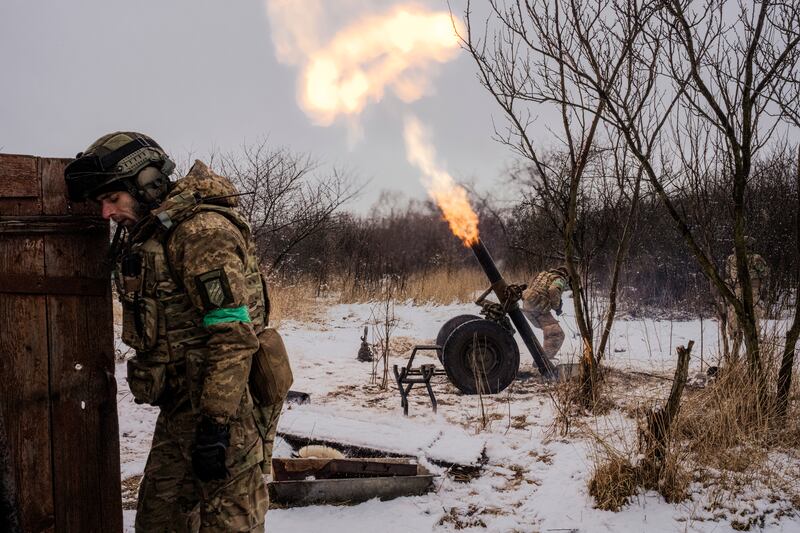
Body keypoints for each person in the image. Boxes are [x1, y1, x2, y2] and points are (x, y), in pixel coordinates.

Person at [64, 132, 291, 532]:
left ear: (148, 182)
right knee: (159, 521)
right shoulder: (159, 232)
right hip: (182, 409)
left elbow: (232, 335)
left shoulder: (201, 233)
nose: (106, 213)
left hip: (226, 411)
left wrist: (216, 427)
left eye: (112, 198)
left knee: (229, 524)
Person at [724, 236, 769, 359]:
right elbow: (765, 272)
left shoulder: (731, 258)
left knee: (735, 314)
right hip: (752, 291)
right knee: (753, 316)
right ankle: (754, 343)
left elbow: (727, 272)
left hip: (735, 291)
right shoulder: (756, 258)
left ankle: (735, 341)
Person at [521, 266, 570, 362]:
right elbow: (553, 290)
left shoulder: (543, 275)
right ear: (565, 275)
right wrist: (556, 306)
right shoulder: (559, 278)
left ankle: (542, 358)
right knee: (556, 334)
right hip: (538, 307)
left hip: (527, 305)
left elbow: (530, 286)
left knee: (549, 331)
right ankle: (544, 361)